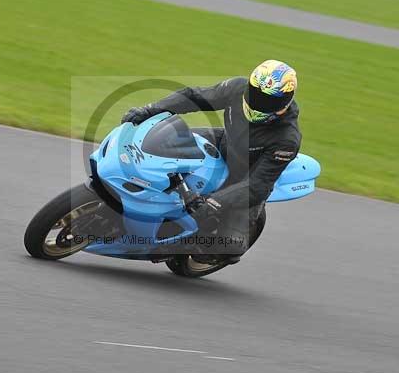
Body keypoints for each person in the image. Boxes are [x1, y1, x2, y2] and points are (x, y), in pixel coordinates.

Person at [121, 60, 302, 264]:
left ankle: (181, 248)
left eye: (266, 101)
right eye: (255, 93)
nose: (257, 102)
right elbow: (195, 97)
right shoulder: (237, 89)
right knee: (162, 141)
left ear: (284, 103)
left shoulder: (287, 139)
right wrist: (151, 109)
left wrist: (215, 203)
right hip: (225, 141)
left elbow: (258, 186)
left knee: (229, 247)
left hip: (246, 178)